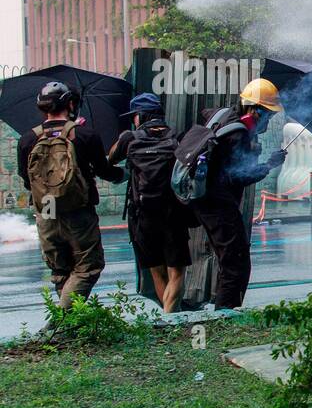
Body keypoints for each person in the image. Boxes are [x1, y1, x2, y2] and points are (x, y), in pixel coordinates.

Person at [17, 81, 126, 308]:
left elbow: (27, 179)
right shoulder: (84, 134)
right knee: (88, 267)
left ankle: (71, 325)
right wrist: (122, 174)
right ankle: (63, 322)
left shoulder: (28, 138)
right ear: (71, 103)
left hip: (46, 210)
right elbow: (104, 171)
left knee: (60, 270)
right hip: (78, 210)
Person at [190, 79, 286, 309]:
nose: (268, 121)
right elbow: (238, 176)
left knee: (230, 259)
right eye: (268, 115)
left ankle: (224, 308)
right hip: (218, 203)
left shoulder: (223, 116)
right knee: (236, 263)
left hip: (207, 201)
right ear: (254, 110)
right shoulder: (238, 134)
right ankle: (225, 315)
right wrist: (268, 165)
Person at [109, 93, 193, 313]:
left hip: (143, 215)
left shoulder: (130, 137)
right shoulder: (177, 137)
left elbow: (110, 159)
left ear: (140, 115)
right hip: (173, 213)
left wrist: (123, 141)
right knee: (177, 273)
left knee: (157, 271)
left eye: (134, 116)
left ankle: (167, 319)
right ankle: (170, 317)